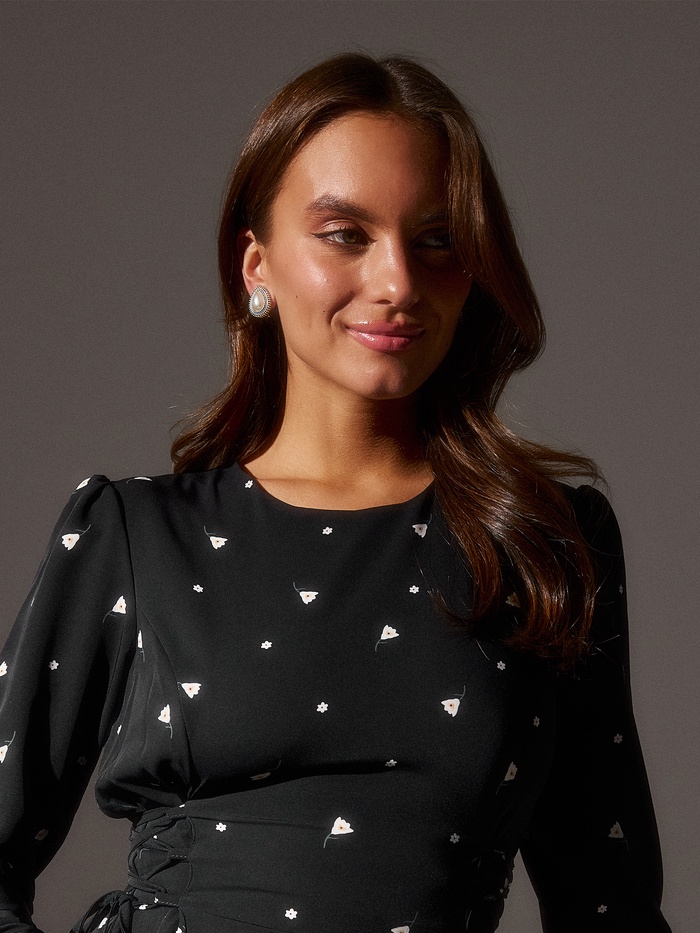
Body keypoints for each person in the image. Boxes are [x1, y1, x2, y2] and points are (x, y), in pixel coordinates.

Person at [0, 53, 671, 933]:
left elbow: (609, 905)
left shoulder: (546, 544)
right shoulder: (133, 535)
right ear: (257, 266)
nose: (398, 282)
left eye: (438, 240)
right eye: (345, 234)